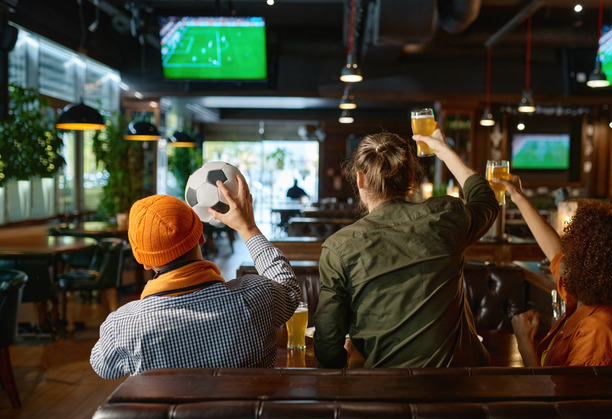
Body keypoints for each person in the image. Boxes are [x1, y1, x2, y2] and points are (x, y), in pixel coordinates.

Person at [314, 129, 499, 368]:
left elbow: (327, 350)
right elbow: (485, 199)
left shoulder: (338, 247)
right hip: (462, 388)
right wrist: (443, 150)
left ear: (359, 179)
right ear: (411, 176)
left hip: (386, 393)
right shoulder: (445, 217)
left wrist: (346, 365)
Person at [90, 173, 302, 379]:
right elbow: (289, 289)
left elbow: (103, 368)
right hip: (249, 415)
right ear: (200, 236)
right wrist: (248, 228)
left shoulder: (124, 325)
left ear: (144, 261)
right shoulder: (257, 296)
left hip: (171, 416)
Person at [494, 175, 612, 367]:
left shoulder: (599, 331)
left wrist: (524, 344)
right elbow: (554, 250)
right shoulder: (585, 297)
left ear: (591, 268)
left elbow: (562, 397)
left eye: (573, 251)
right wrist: (517, 196)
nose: (564, 254)